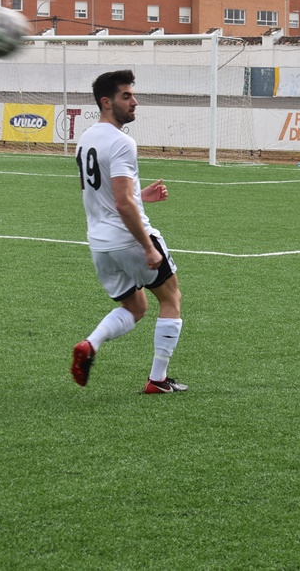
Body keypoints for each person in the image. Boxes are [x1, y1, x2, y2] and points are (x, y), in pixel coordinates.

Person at [70, 70, 188, 394]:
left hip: (99, 244)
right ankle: (158, 380)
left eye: (133, 95)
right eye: (126, 96)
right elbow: (122, 203)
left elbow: (106, 193)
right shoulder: (122, 142)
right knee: (171, 298)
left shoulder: (86, 138)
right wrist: (148, 248)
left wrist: (141, 196)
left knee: (135, 307)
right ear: (106, 102)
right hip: (129, 239)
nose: (134, 102)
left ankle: (90, 345)